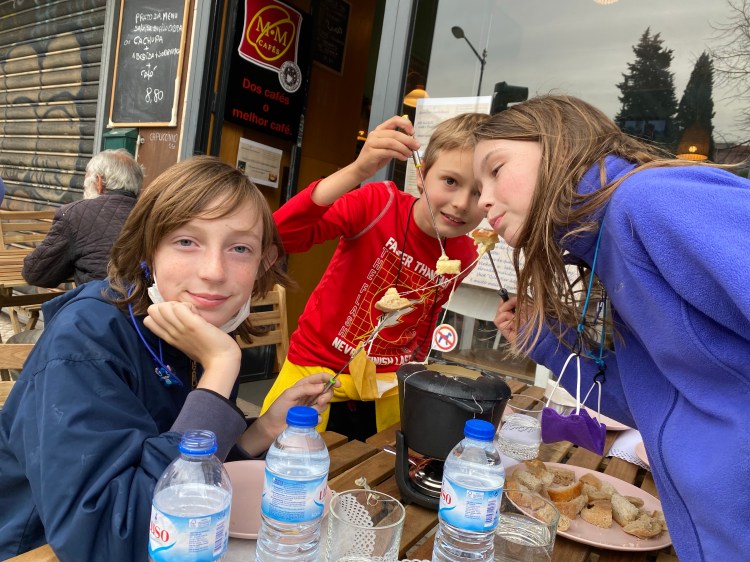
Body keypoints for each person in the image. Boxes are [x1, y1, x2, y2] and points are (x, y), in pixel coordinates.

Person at [0, 156, 338, 561]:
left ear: (262, 262)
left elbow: (191, 466)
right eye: (186, 241)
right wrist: (220, 370)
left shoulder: (199, 331)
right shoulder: (86, 340)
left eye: (240, 248)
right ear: (149, 248)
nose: (214, 271)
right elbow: (110, 539)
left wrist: (264, 428)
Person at [473, 94, 750, 561]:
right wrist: (545, 342)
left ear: (559, 142)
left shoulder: (649, 201)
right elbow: (645, 402)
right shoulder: (605, 248)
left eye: (496, 169)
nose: (482, 200)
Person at [261, 113, 488, 440]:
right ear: (422, 174)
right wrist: (357, 170)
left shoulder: (465, 253)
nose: (461, 204)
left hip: (388, 385)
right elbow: (280, 235)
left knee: (384, 464)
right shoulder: (378, 204)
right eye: (450, 181)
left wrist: (415, 369)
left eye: (478, 192)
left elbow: (428, 315)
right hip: (315, 371)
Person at [22, 148, 143, 287]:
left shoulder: (75, 214)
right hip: (145, 299)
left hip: (100, 299)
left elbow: (35, 273)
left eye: (85, 184)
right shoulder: (152, 213)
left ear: (99, 182)